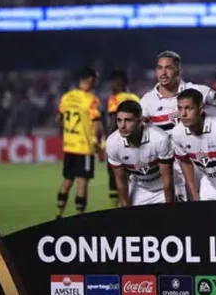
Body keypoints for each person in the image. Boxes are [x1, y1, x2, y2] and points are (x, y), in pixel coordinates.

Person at [140, 51, 216, 201]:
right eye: (160, 68)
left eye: (168, 68)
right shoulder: (147, 101)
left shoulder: (196, 91)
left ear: (179, 70)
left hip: (199, 162)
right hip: (170, 166)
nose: (163, 72)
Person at [171, 89, 216, 201]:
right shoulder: (177, 133)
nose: (183, 114)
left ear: (201, 108)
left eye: (189, 108)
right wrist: (194, 193)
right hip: (209, 188)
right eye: (180, 108)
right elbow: (185, 162)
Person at [54, 67, 104, 219]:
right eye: (95, 79)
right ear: (89, 79)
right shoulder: (91, 99)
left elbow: (58, 119)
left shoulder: (66, 97)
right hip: (84, 147)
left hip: (69, 145)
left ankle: (58, 214)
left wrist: (70, 131)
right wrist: (99, 147)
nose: (96, 82)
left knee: (67, 180)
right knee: (82, 182)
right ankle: (79, 217)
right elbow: (97, 126)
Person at [105, 100, 175, 206]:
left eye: (128, 120)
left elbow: (168, 181)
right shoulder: (112, 143)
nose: (122, 126)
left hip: (163, 188)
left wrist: (170, 210)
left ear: (140, 121)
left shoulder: (160, 138)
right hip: (140, 188)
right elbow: (121, 182)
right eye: (119, 120)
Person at [105, 70, 140, 208]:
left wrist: (107, 142)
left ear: (117, 83)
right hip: (135, 144)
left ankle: (114, 211)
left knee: (114, 180)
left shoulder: (114, 99)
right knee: (132, 179)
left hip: (119, 144)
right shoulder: (136, 98)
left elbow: (114, 123)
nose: (111, 86)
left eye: (112, 82)